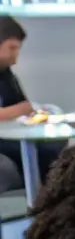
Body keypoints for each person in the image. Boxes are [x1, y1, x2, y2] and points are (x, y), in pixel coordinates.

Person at [0, 15, 32, 192]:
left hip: (7, 136)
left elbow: (26, 106)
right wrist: (17, 110)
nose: (15, 57)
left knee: (53, 148)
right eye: (11, 48)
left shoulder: (6, 73)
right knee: (6, 170)